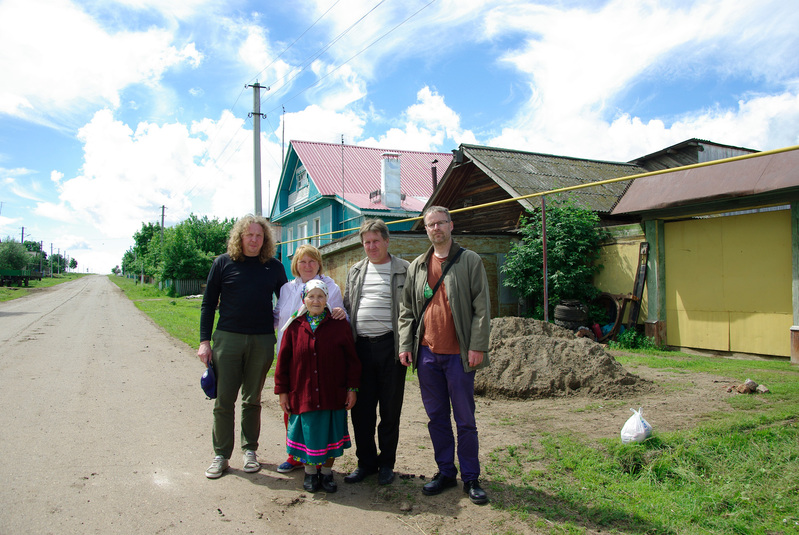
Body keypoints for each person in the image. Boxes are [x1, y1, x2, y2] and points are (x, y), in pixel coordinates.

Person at [398, 206, 491, 505]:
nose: (436, 228)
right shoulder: (418, 266)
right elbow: (407, 311)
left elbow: (482, 308)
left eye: (440, 223)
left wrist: (478, 345)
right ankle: (445, 472)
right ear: (425, 230)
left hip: (459, 355)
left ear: (451, 225)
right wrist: (405, 345)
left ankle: (472, 477)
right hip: (427, 355)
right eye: (430, 225)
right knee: (436, 417)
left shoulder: (470, 261)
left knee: (465, 419)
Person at [198, 214, 288, 479]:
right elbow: (207, 304)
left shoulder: (273, 266)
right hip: (228, 338)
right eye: (249, 235)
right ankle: (221, 456)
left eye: (259, 235)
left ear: (265, 239)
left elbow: (289, 299)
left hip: (261, 340)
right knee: (224, 400)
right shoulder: (223, 263)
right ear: (240, 237)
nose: (254, 240)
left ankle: (250, 451)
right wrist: (204, 342)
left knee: (253, 399)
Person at [274, 279, 361, 493]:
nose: (316, 300)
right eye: (311, 296)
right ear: (304, 299)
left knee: (330, 434)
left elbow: (352, 360)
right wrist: (282, 392)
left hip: (333, 393)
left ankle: (327, 474)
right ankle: (311, 473)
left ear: (326, 299)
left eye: (320, 296)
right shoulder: (295, 326)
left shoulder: (338, 324)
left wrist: (352, 389)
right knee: (308, 434)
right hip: (303, 394)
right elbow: (283, 362)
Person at [342, 219, 409, 486]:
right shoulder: (355, 271)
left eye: (375, 241)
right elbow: (348, 305)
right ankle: (366, 462)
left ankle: (387, 464)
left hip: (391, 348)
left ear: (386, 241)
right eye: (366, 242)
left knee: (390, 411)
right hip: (361, 351)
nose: (371, 246)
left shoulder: (404, 269)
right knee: (362, 411)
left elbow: (413, 307)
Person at [273, 244, 347, 473]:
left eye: (312, 261)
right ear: (295, 265)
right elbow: (278, 316)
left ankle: (321, 458)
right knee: (292, 406)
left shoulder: (330, 287)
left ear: (319, 264)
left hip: (318, 356)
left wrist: (340, 312)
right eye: (302, 262)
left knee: (320, 408)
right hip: (292, 355)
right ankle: (295, 454)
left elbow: (337, 313)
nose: (307, 266)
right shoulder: (286, 288)